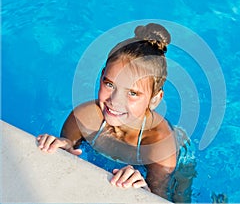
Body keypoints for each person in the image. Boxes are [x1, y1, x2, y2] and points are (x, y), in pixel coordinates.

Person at [36, 23, 196, 202]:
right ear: (102, 76)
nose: (115, 101)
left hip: (178, 158)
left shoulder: (159, 147)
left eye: (133, 93)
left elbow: (159, 198)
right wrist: (63, 147)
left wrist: (144, 189)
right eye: (110, 84)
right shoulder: (84, 118)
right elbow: (65, 156)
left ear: (154, 99)